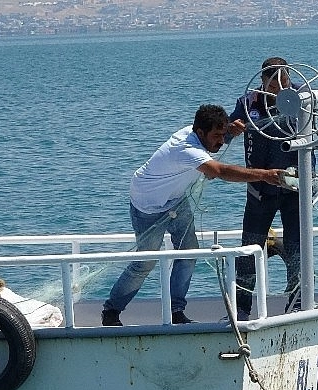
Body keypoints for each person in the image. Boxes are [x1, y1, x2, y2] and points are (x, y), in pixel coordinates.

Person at [102, 104, 286, 327]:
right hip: (148, 205)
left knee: (189, 253)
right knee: (145, 263)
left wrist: (231, 130)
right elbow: (219, 171)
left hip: (175, 201)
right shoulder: (186, 149)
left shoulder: (198, 134)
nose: (220, 141)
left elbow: (218, 141)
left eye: (222, 134)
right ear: (200, 132)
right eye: (216, 136)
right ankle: (111, 310)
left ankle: (176, 311)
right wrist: (264, 175)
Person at [229, 56, 318, 319]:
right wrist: (232, 128)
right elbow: (228, 130)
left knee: (298, 246)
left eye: (282, 77)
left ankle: (296, 302)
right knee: (249, 248)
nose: (276, 84)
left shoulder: (304, 96)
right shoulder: (247, 103)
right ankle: (241, 308)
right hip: (260, 189)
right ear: (261, 79)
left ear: (289, 76)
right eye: (270, 78)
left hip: (296, 187)